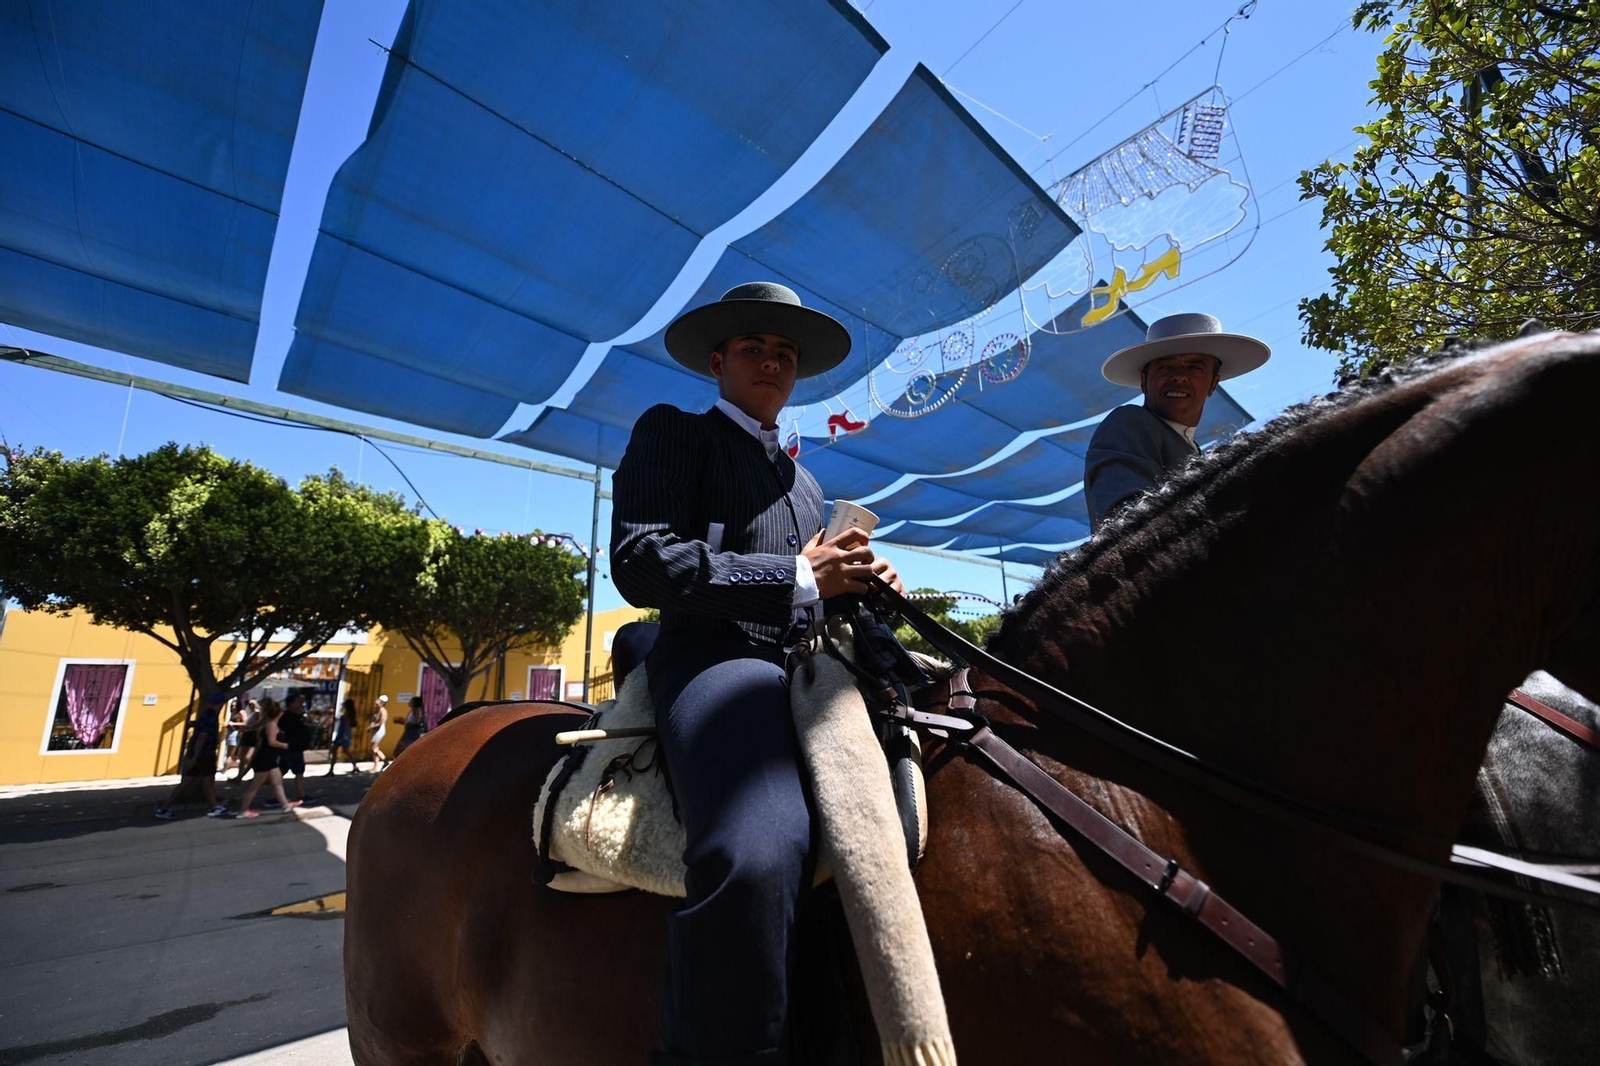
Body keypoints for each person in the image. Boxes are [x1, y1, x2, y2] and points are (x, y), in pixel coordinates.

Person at [611, 281, 902, 1065]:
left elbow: (818, 594)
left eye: (784, 354)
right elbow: (639, 562)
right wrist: (795, 577)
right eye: (753, 349)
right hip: (713, 659)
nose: (771, 362)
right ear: (718, 362)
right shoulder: (675, 432)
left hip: (811, 672)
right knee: (759, 849)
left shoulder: (808, 485)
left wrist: (861, 583)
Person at [1084, 312, 1271, 532]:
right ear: (1144, 381)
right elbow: (1125, 521)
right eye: (1165, 367)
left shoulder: (1196, 452)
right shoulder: (1129, 422)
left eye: (1195, 368)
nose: (1180, 376)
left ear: (1213, 384)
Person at [153, 695, 231, 820]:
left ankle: (164, 807)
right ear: (219, 705)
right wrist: (196, 756)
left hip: (198, 753)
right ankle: (214, 807)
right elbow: (202, 737)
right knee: (208, 780)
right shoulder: (211, 716)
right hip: (205, 754)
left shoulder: (205, 715)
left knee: (188, 781)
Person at [237, 698, 301, 818]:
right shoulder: (271, 725)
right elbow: (272, 742)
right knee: (256, 786)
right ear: (277, 713)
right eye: (281, 712)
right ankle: (243, 810)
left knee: (278, 783)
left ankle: (285, 805)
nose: (283, 713)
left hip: (269, 759)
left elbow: (260, 742)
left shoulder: (269, 723)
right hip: (265, 759)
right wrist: (284, 745)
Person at [265, 693, 315, 806]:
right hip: (290, 748)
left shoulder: (301, 716)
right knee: (291, 771)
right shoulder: (287, 717)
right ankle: (276, 797)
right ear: (291, 704)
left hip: (296, 748)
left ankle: (277, 796)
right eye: (298, 702)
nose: (301, 704)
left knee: (294, 771)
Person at [326, 697, 360, 776]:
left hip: (342, 734)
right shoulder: (351, 713)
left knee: (334, 751)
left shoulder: (346, 714)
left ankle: (331, 770)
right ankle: (355, 766)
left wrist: (343, 736)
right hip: (346, 734)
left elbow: (345, 725)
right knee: (346, 751)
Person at [368, 694, 390, 772]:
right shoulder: (379, 710)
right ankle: (375, 766)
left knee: (374, 748)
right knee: (375, 748)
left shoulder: (383, 711)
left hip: (379, 731)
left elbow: (380, 723)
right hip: (376, 730)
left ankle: (385, 761)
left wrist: (371, 727)